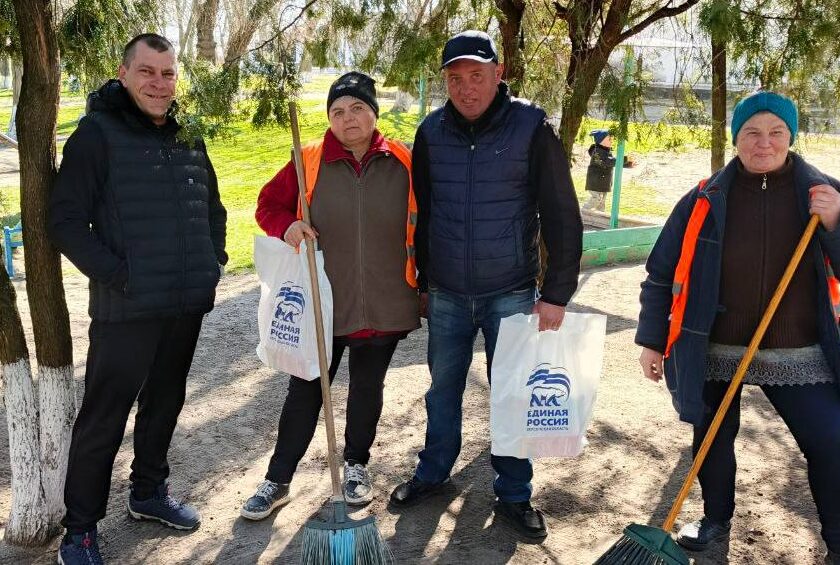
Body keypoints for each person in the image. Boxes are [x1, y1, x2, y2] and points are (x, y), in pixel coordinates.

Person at [635, 91, 840, 565]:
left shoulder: (824, 193)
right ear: (736, 139)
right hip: (714, 346)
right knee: (712, 439)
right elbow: (661, 273)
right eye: (751, 132)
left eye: (776, 132)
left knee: (832, 442)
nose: (763, 143)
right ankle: (715, 520)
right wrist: (651, 340)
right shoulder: (704, 197)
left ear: (791, 137)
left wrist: (838, 221)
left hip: (800, 351)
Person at [388, 30, 583, 541]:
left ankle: (514, 493)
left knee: (513, 394)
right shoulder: (430, 133)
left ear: (499, 75)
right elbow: (424, 214)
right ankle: (434, 471)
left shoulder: (531, 127)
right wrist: (424, 282)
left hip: (510, 291)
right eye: (455, 78)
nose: (466, 88)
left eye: (477, 75)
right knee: (441, 390)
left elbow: (561, 213)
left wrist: (556, 293)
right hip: (447, 292)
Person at [48, 33, 227, 565]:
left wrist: (212, 261)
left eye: (167, 73)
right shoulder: (96, 135)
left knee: (164, 403)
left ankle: (148, 492)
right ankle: (79, 532)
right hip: (126, 309)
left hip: (183, 304)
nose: (158, 83)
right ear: (123, 74)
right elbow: (65, 223)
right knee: (104, 419)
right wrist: (120, 277)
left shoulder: (188, 132)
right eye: (147, 71)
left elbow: (212, 206)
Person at [245, 71, 420, 518]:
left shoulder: (403, 159)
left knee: (367, 387)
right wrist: (287, 225)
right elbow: (268, 205)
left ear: (374, 113)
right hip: (321, 303)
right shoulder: (308, 159)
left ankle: (356, 466)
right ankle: (278, 479)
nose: (348, 118)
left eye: (358, 108)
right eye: (337, 111)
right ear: (328, 118)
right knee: (305, 390)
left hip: (384, 298)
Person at [583, 129, 616, 211]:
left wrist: (627, 163)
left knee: (601, 202)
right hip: (595, 182)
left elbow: (612, 162)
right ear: (601, 141)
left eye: (612, 139)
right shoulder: (596, 153)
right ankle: (583, 211)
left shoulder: (607, 152)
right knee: (596, 198)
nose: (612, 141)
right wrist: (623, 159)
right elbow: (606, 162)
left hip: (604, 182)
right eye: (609, 139)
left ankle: (600, 214)